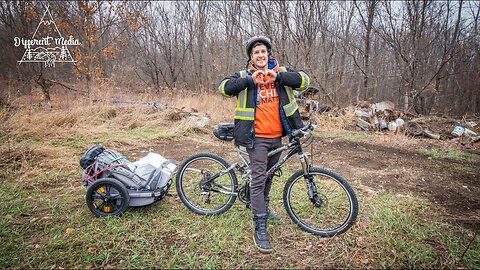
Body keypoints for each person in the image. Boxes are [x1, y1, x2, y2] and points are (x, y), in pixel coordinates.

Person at [218, 35, 310, 253]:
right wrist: (251, 80)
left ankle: (264, 209)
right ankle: (260, 225)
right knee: (258, 179)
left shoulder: (281, 72)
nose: (260, 55)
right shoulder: (244, 75)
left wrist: (278, 76)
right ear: (251, 57)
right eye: (256, 52)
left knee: (269, 175)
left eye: (263, 51)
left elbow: (304, 81)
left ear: (269, 54)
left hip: (277, 136)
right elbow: (223, 88)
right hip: (255, 137)